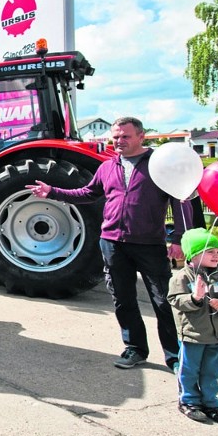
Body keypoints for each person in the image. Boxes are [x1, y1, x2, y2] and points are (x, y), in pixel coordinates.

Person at [26, 116, 192, 372]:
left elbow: (180, 200)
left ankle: (175, 356)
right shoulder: (107, 167)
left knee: (162, 302)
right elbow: (88, 193)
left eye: (125, 136)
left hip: (150, 245)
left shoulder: (159, 165)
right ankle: (135, 349)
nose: (119, 141)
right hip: (113, 244)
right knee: (123, 301)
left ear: (141, 136)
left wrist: (179, 238)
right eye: (115, 137)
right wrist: (53, 192)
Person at [168, 228, 218, 424]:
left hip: (217, 335)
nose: (216, 255)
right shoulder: (182, 277)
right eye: (210, 251)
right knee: (189, 369)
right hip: (194, 335)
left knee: (212, 371)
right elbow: (174, 299)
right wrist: (195, 297)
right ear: (194, 254)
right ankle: (189, 401)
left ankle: (211, 403)